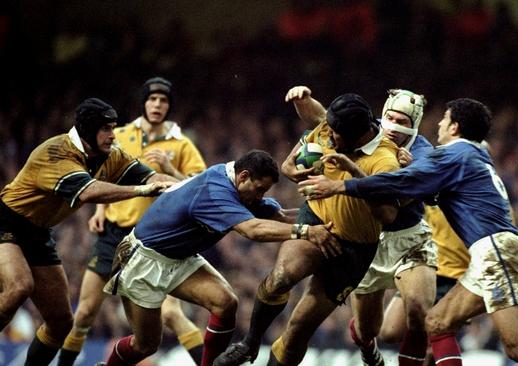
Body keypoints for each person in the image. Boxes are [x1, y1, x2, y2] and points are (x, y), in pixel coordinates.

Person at [299, 98, 518, 366]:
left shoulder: (455, 152)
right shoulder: (469, 156)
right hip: (490, 254)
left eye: (443, 120)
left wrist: (342, 186)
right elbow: (423, 189)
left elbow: (403, 183)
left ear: (455, 126)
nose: (439, 125)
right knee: (438, 324)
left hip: (497, 251)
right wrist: (409, 166)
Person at [95, 149, 339, 366]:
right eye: (259, 189)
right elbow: (253, 230)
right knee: (145, 346)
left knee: (225, 303)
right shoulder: (216, 193)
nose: (260, 197)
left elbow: (282, 215)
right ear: (243, 176)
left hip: (179, 258)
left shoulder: (237, 186)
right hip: (143, 260)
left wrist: (331, 219)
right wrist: (306, 232)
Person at [214, 93, 401, 366]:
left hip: (355, 249)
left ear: (356, 136)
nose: (330, 136)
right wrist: (297, 172)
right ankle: (250, 343)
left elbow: (388, 215)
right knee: (281, 276)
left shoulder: (385, 160)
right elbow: (289, 166)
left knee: (299, 328)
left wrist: (352, 176)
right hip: (315, 217)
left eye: (336, 135)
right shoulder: (329, 128)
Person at [0, 97, 175, 365]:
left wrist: (192, 187)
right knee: (19, 286)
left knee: (61, 323)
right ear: (87, 130)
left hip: (38, 233)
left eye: (113, 128)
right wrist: (140, 191)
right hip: (7, 221)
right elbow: (89, 192)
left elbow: (152, 178)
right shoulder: (55, 152)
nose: (112, 135)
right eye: (105, 128)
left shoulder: (110, 154)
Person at [283, 85, 442, 366]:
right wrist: (304, 101)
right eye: (389, 118)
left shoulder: (424, 155)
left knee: (418, 309)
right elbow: (323, 120)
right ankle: (368, 349)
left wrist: (409, 173)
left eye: (402, 122)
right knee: (369, 330)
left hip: (408, 238)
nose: (393, 126)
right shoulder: (368, 131)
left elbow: (397, 205)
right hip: (366, 240)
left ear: (414, 124)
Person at [59, 77, 208, 366]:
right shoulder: (119, 134)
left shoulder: (181, 144)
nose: (157, 104)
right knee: (85, 312)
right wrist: (100, 211)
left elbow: (200, 188)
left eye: (163, 100)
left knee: (171, 314)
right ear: (143, 102)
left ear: (169, 106)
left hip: (155, 239)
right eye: (152, 99)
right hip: (113, 236)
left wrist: (169, 167)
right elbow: (104, 176)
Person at [379, 205, 470, 366]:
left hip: (455, 277)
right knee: (389, 332)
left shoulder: (473, 192)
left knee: (432, 349)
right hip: (426, 265)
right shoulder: (429, 187)